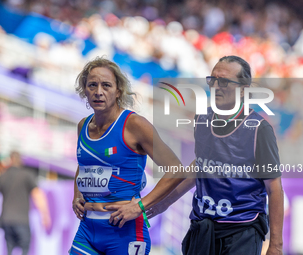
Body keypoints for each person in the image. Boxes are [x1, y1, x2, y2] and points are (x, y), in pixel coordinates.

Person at [107, 56, 284, 255]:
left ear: (243, 89)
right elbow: (200, 168)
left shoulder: (259, 129)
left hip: (242, 228)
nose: (216, 86)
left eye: (224, 81)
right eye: (212, 80)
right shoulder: (202, 119)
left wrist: (276, 245)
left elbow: (274, 189)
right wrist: (164, 202)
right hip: (202, 225)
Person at [71, 57, 188, 255]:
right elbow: (84, 166)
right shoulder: (83, 125)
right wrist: (76, 195)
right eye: (92, 85)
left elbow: (177, 170)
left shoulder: (134, 125)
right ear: (85, 90)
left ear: (118, 91)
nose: (99, 92)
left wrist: (140, 206)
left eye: (106, 85)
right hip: (88, 229)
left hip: (125, 231)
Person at [0, 151, 51, 255]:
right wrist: (45, 215)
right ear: (20, 161)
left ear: (10, 161)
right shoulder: (27, 175)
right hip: (22, 219)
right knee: (25, 249)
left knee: (9, 249)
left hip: (6, 220)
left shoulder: (3, 176)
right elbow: (38, 195)